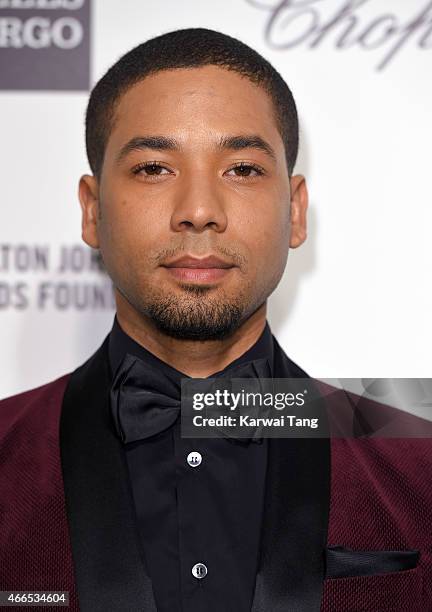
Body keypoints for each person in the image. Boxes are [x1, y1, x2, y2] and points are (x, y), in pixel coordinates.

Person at [1, 28, 431, 612]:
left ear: (296, 210)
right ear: (93, 209)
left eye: (244, 169)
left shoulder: (418, 468)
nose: (199, 211)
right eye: (154, 167)